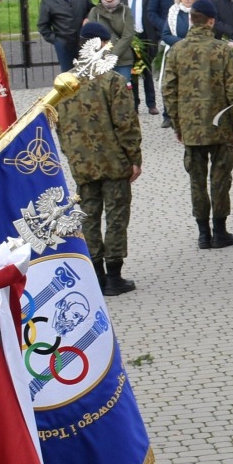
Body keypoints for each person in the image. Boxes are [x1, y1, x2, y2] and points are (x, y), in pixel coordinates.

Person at [57, 25, 142, 297]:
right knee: (116, 216)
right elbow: (126, 123)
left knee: (89, 217)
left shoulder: (65, 81)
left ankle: (95, 274)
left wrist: (71, 155)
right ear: (102, 44)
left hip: (82, 162)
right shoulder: (112, 80)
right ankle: (115, 276)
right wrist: (134, 157)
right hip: (114, 161)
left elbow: (57, 124)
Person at [161, 0, 233, 249]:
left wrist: (177, 123)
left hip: (190, 127)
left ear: (190, 19)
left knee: (196, 180)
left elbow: (168, 90)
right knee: (220, 178)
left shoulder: (177, 50)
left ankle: (203, 234)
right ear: (211, 21)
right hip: (220, 126)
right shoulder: (221, 50)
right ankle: (220, 231)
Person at [85, 0, 138, 89]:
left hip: (122, 58)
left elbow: (128, 35)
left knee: (123, 90)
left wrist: (113, 54)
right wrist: (104, 54)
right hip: (102, 58)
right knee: (104, 90)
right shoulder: (95, 12)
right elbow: (92, 36)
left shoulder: (125, 11)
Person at [37, 0, 91, 72]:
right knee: (68, 75)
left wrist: (88, 18)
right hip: (64, 44)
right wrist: (56, 41)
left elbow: (91, 9)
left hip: (84, 41)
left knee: (86, 73)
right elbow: (42, 25)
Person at [125, 0, 158, 115]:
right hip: (128, 39)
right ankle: (134, 104)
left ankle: (151, 104)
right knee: (132, 73)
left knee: (147, 71)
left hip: (145, 37)